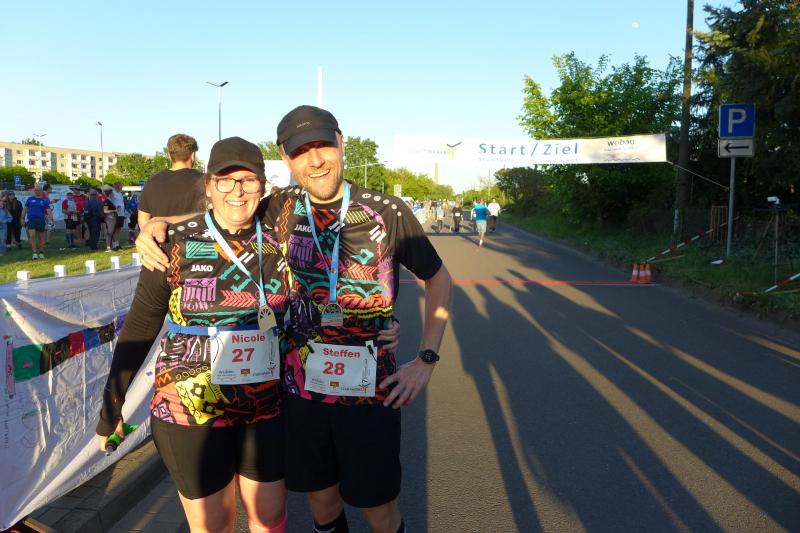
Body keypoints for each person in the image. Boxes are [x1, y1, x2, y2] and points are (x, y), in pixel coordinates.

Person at [137, 106, 451, 533]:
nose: (315, 159)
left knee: (379, 510)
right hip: (301, 394)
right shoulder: (280, 206)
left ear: (341, 143)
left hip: (370, 391)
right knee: (322, 502)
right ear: (286, 158)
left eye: (323, 145)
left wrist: (425, 360)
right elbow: (225, 214)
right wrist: (155, 225)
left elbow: (439, 280)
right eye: (301, 151)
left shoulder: (387, 211)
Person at [97, 137, 291, 533]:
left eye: (248, 180)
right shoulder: (174, 242)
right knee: (213, 524)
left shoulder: (282, 236)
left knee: (268, 517)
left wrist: (383, 325)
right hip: (189, 411)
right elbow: (140, 326)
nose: (237, 191)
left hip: (265, 407)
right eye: (225, 180)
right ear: (208, 185)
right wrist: (111, 408)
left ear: (263, 186)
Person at [138, 133, 205, 229]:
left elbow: (143, 219)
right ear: (193, 155)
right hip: (197, 237)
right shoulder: (205, 181)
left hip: (161, 237)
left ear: (169, 155)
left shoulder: (152, 182)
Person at [22, 184, 53, 259]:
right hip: (31, 220)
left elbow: (49, 211)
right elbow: (25, 209)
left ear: (41, 191)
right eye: (35, 190)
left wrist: (51, 220)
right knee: (32, 236)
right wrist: (22, 218)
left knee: (41, 237)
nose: (37, 191)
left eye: (38, 190)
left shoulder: (44, 201)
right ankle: (35, 252)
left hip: (41, 220)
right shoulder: (30, 199)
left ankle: (41, 251)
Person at [109, 182, 126, 250]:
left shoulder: (120, 194)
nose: (122, 187)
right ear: (117, 186)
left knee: (119, 230)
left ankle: (117, 244)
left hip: (121, 214)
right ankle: (114, 245)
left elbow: (121, 203)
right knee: (115, 230)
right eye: (121, 186)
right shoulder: (112, 193)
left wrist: (124, 213)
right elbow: (110, 202)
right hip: (115, 214)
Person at [101, 186, 118, 252]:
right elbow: (105, 211)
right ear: (110, 194)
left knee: (111, 232)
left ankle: (111, 246)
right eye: (112, 194)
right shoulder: (107, 201)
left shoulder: (110, 201)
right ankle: (108, 247)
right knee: (109, 232)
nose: (114, 195)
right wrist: (115, 210)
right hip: (109, 218)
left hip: (112, 218)